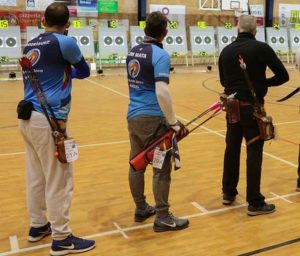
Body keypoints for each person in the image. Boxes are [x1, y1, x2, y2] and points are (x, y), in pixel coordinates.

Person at [19, 3, 95, 255]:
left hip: (28, 117)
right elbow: (83, 71)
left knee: (36, 175)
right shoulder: (64, 42)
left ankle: (38, 225)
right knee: (59, 180)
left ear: (43, 21)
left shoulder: (31, 44)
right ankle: (62, 238)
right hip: (50, 120)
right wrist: (67, 72)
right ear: (68, 24)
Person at [218, 15, 289, 216]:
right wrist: (262, 83)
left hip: (232, 108)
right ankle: (255, 202)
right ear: (255, 30)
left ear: (237, 29)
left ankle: (228, 192)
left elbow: (224, 81)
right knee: (254, 150)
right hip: (252, 109)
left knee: (232, 148)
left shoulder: (226, 50)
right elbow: (283, 76)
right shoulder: (261, 48)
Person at [126, 11, 189, 232]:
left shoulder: (133, 52)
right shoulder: (160, 55)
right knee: (161, 168)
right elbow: (161, 91)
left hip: (134, 117)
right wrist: (172, 122)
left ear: (145, 30)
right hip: (153, 119)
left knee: (137, 163)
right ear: (165, 33)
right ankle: (162, 216)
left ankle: (141, 207)